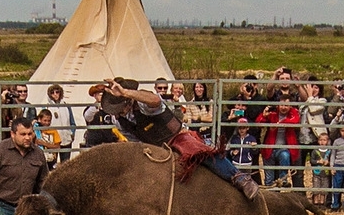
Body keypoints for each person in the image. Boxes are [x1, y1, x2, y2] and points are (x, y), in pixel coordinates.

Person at [102, 77, 259, 200]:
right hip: (154, 147)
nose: (117, 112)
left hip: (177, 136)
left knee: (199, 151)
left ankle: (239, 178)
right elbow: (134, 141)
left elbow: (155, 100)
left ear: (128, 100)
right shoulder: (119, 120)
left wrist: (125, 92)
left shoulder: (142, 104)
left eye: (119, 107)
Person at [255, 95, 301, 187]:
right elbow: (258, 123)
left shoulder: (293, 113)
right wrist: (264, 116)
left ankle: (283, 179)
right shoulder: (272, 113)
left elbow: (295, 121)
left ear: (290, 106)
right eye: (282, 105)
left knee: (285, 155)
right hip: (269, 148)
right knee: (269, 178)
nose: (284, 107)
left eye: (286, 105)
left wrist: (278, 124)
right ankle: (270, 196)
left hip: (283, 148)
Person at [45, 84, 75, 163]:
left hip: (66, 139)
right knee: (52, 163)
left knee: (65, 164)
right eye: (52, 92)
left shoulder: (66, 106)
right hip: (53, 141)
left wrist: (72, 133)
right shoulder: (47, 107)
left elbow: (72, 122)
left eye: (57, 92)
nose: (55, 94)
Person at [310, 132, 331, 207]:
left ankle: (322, 202)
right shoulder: (315, 151)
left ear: (327, 141)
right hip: (316, 173)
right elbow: (311, 160)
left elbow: (331, 160)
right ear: (318, 141)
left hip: (326, 173)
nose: (322, 142)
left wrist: (328, 162)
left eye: (324, 140)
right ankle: (315, 201)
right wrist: (318, 161)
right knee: (316, 187)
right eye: (321, 140)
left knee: (324, 188)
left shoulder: (329, 151)